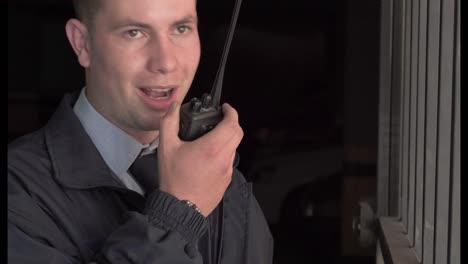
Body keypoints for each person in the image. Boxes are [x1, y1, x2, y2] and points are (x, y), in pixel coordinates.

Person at [7, 0, 274, 263]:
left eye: (180, 29)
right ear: (82, 43)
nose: (166, 62)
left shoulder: (224, 180)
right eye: (134, 32)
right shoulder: (18, 193)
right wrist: (180, 209)